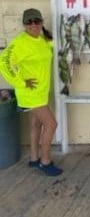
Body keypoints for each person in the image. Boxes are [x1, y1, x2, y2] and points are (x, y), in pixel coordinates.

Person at [0, 8, 63, 176]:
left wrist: (50, 40)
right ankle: (45, 161)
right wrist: (20, 82)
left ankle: (34, 159)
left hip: (41, 92)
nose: (33, 25)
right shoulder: (20, 42)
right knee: (51, 124)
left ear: (41, 22)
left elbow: (48, 50)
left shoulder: (42, 39)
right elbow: (3, 61)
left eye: (36, 21)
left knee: (37, 124)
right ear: (24, 24)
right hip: (30, 94)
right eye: (29, 22)